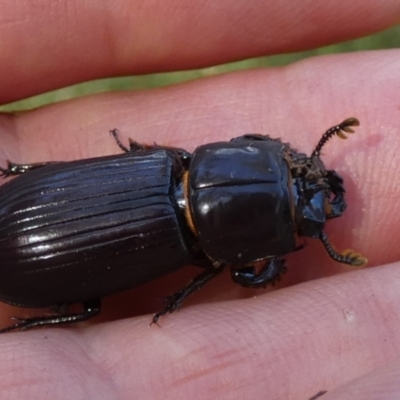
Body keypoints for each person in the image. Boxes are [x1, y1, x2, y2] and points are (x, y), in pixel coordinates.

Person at [0, 1, 399, 399]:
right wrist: (276, 256)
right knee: (89, 309)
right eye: (293, 168)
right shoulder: (174, 185)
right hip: (27, 255)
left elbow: (249, 154)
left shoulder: (163, 162)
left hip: (24, 226)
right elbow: (247, 274)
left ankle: (15, 171)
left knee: (88, 302)